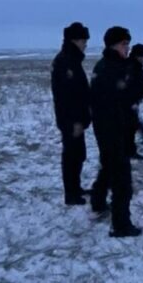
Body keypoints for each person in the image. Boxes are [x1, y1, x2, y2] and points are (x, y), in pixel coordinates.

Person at [90, 26, 141, 237]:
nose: (127, 48)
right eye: (124, 44)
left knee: (108, 169)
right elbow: (115, 104)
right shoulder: (110, 70)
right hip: (112, 131)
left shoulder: (108, 65)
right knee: (122, 181)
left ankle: (98, 201)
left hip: (110, 131)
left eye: (128, 44)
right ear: (113, 45)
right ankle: (121, 225)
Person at [51, 22, 91, 206]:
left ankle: (75, 188)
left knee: (78, 154)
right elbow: (67, 96)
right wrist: (74, 121)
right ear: (74, 40)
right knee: (72, 156)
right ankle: (71, 194)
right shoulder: (65, 62)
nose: (86, 44)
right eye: (84, 40)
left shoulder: (72, 60)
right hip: (70, 119)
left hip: (76, 119)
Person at [126, 43, 143, 160]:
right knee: (130, 128)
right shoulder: (131, 67)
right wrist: (132, 102)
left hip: (134, 102)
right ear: (137, 55)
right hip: (130, 104)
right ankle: (128, 151)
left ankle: (130, 151)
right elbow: (128, 87)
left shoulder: (136, 66)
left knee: (132, 128)